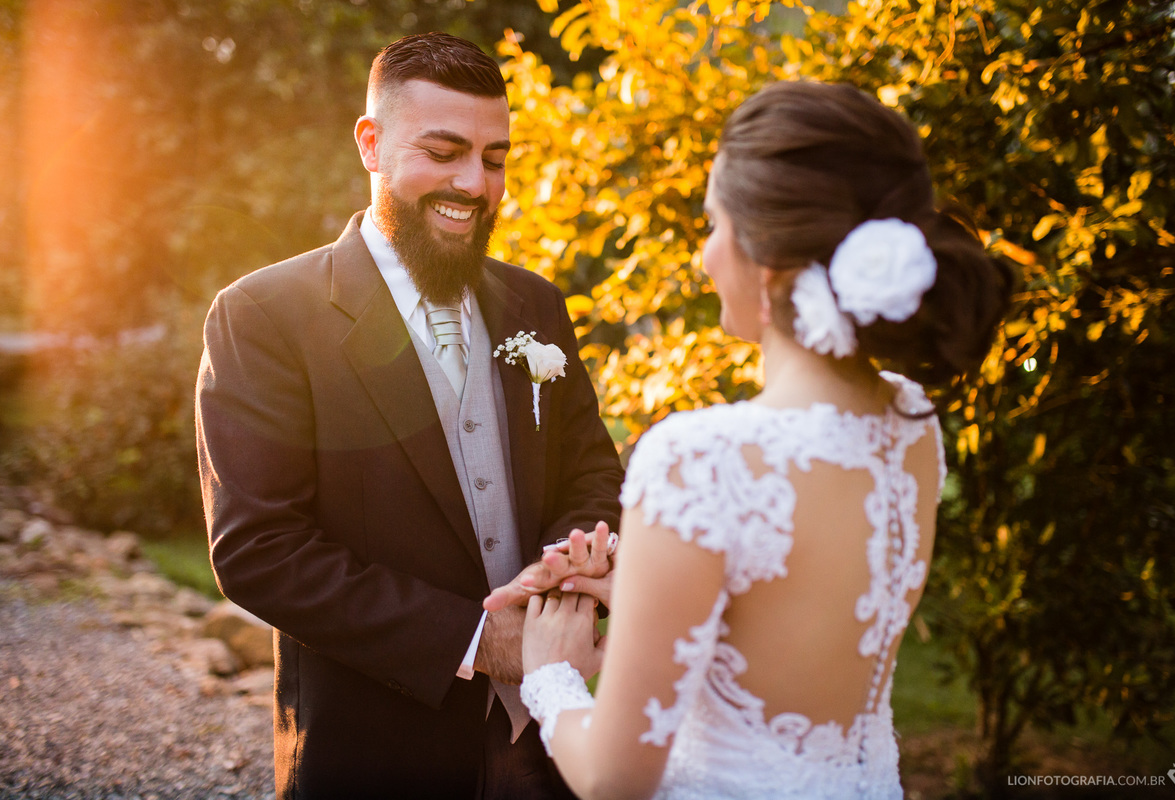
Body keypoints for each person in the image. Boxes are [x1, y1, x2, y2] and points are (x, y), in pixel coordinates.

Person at [497, 80, 1013, 798]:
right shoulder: (910, 427)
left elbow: (616, 779)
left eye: (713, 226)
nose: (705, 255)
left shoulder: (698, 459)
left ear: (767, 260)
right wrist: (650, 590)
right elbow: (792, 624)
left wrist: (550, 671)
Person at [194, 32, 623, 799]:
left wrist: (568, 571)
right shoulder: (264, 315)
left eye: (494, 160)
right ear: (372, 143)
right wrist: (482, 641)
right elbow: (259, 548)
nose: (474, 183)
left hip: (550, 745)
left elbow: (590, 468)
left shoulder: (536, 303)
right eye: (444, 151)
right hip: (374, 751)